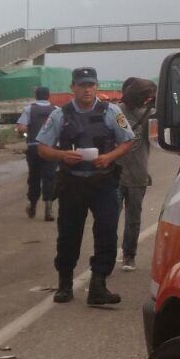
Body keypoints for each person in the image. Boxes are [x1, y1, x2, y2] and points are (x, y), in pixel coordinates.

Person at [36, 67, 136, 306]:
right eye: (82, 85)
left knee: (107, 233)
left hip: (103, 182)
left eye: (91, 84)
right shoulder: (60, 115)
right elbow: (42, 147)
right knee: (69, 235)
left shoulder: (111, 112)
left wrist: (109, 157)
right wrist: (62, 156)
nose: (87, 89)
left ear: (96, 86)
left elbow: (128, 140)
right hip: (73, 183)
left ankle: (98, 285)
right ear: (73, 87)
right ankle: (65, 284)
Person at [118, 77, 156, 271]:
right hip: (115, 176)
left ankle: (129, 255)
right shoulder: (116, 112)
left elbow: (158, 139)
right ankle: (108, 254)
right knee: (110, 219)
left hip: (137, 176)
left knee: (133, 219)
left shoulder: (150, 116)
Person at [16, 86, 58, 220]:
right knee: (49, 177)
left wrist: (25, 132)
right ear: (48, 96)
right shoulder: (56, 110)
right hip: (51, 148)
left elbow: (21, 127)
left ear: (36, 96)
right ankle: (49, 209)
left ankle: (33, 204)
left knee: (34, 176)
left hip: (34, 147)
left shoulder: (29, 109)